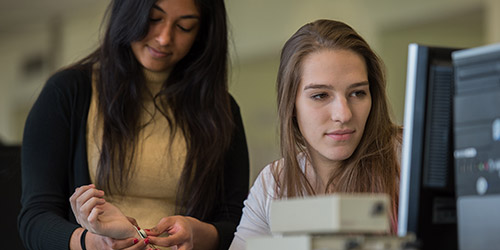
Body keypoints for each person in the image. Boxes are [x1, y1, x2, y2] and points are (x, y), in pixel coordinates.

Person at [18, 0, 249, 249]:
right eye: (153, 19)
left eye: (184, 27)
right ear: (130, 12)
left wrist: (203, 234)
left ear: (203, 32)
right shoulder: (67, 92)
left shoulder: (221, 109)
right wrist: (91, 243)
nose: (163, 38)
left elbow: (237, 221)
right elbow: (35, 218)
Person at [228, 19, 402, 249]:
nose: (343, 114)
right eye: (320, 95)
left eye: (358, 93)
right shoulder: (273, 183)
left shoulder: (409, 155)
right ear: (291, 104)